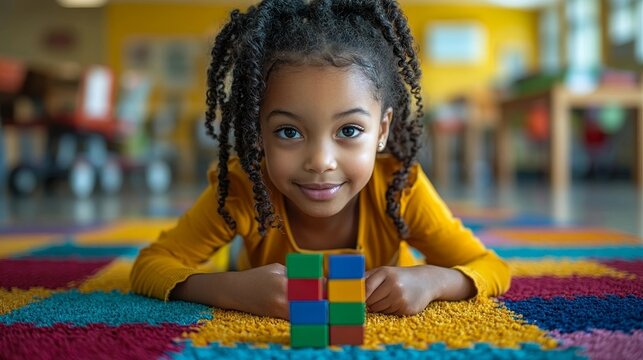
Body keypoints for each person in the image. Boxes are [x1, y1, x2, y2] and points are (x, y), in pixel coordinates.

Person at [130, 0, 510, 320]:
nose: (320, 162)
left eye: (349, 131)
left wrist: (431, 280)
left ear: (381, 130)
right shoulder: (243, 188)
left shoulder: (399, 187)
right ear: (257, 130)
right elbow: (151, 265)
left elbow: (491, 268)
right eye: (289, 132)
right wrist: (231, 288)